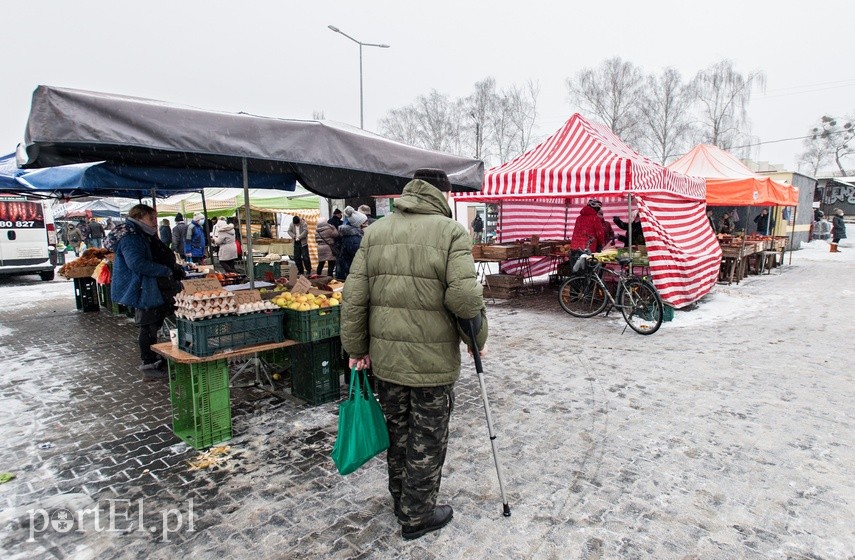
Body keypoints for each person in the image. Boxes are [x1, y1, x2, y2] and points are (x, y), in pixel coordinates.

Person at [340, 168, 488, 541]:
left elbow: (354, 297)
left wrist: (356, 348)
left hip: (387, 362)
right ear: (442, 194)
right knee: (427, 440)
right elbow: (464, 299)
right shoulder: (451, 232)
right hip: (432, 365)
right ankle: (417, 516)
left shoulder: (375, 231)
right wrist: (476, 337)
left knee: (399, 437)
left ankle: (402, 501)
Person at [110, 204, 185, 381]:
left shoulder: (142, 233)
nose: (155, 222)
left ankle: (156, 359)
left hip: (154, 286)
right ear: (139, 217)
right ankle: (149, 366)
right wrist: (164, 270)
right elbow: (136, 263)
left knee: (154, 323)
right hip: (145, 288)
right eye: (151, 218)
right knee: (148, 324)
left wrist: (173, 268)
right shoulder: (131, 237)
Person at [335, 207, 368, 280]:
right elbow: (359, 257)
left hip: (345, 270)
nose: (367, 225)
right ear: (359, 225)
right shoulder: (354, 239)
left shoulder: (350, 236)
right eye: (365, 223)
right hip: (348, 272)